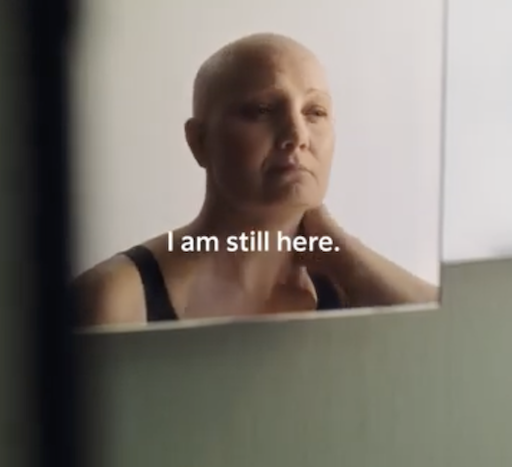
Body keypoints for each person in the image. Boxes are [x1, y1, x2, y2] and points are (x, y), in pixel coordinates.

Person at [73, 32, 438, 327]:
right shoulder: (116, 299)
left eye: (315, 111)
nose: (297, 135)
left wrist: (345, 253)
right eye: (263, 110)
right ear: (200, 142)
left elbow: (454, 347)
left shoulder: (351, 287)